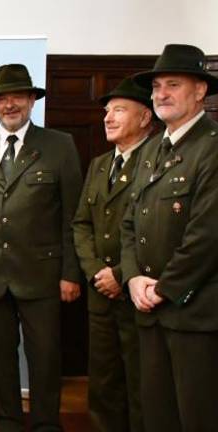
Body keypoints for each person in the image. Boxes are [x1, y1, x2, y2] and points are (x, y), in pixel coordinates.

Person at [0, 64, 83, 432]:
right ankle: (7, 419)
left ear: (31, 100)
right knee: (1, 354)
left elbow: (73, 216)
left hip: (43, 274)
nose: (9, 104)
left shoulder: (59, 145)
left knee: (45, 355)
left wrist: (71, 273)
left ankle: (45, 422)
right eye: (1, 98)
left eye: (17, 97)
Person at [120, 43, 218, 432]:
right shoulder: (152, 150)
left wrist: (164, 288)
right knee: (157, 416)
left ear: (200, 90)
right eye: (157, 86)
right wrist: (133, 278)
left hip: (194, 314)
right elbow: (130, 223)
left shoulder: (212, 148)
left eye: (173, 85)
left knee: (197, 417)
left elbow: (207, 236)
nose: (161, 94)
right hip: (149, 309)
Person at [72, 76, 154, 432]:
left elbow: (159, 234)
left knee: (142, 384)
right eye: (107, 111)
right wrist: (95, 272)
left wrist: (120, 274)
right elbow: (81, 224)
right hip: (100, 293)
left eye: (119, 110)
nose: (108, 118)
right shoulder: (100, 164)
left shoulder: (158, 160)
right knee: (103, 382)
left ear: (145, 117)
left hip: (139, 294)